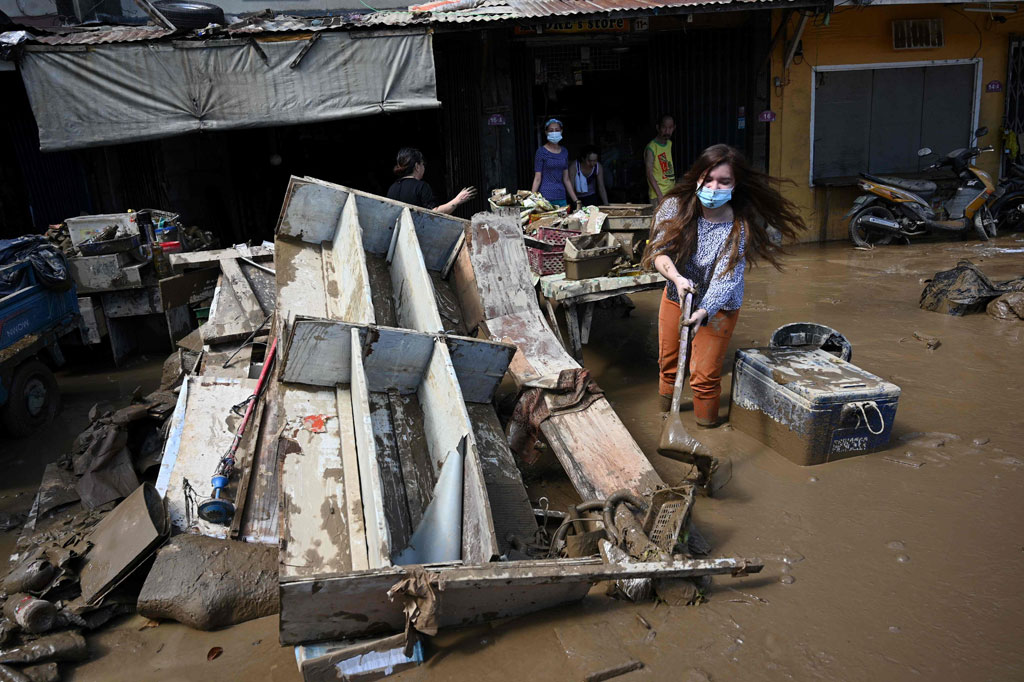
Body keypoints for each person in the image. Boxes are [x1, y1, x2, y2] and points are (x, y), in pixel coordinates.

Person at [643, 143, 805, 427]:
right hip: (676, 294)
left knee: (703, 376)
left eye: (724, 181)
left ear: (735, 184)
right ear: (697, 177)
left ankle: (707, 432)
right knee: (668, 365)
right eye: (708, 179)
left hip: (719, 308)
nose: (714, 187)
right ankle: (664, 420)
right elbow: (659, 252)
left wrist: (704, 311)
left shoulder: (738, 227)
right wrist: (678, 280)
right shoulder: (674, 206)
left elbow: (726, 279)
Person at [386, 148, 475, 214]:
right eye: (422, 164)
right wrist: (457, 200)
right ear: (417, 166)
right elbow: (434, 214)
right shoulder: (421, 186)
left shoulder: (392, 188)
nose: (424, 167)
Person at [532, 119, 580, 208]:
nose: (554, 132)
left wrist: (576, 201)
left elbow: (566, 179)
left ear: (561, 131)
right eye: (551, 130)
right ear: (546, 132)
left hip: (561, 196)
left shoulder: (564, 152)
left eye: (557, 130)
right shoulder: (541, 152)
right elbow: (537, 178)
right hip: (545, 198)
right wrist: (531, 199)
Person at [644, 115, 676, 204]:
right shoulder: (652, 148)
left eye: (670, 128)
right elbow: (649, 173)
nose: (667, 131)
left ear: (674, 128)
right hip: (658, 195)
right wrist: (659, 195)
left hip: (671, 193)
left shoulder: (669, 144)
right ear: (658, 128)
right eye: (664, 127)